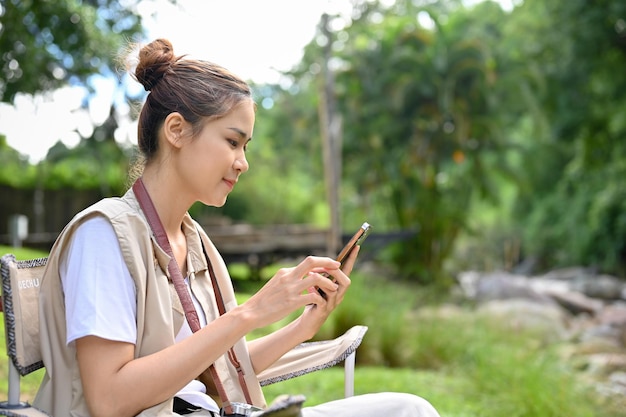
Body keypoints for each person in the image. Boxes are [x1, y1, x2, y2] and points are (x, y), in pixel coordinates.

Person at [34, 38, 441, 417]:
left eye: (245, 147)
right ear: (176, 130)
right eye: (232, 142)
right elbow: (109, 398)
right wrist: (249, 314)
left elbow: (218, 371)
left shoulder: (193, 243)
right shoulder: (104, 235)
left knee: (410, 408)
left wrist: (302, 327)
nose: (243, 162)